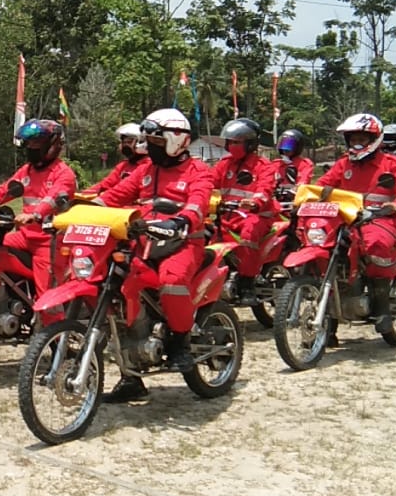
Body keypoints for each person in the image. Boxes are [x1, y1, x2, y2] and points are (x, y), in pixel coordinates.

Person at [93, 108, 215, 403]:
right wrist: (81, 206)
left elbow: (199, 203)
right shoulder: (146, 170)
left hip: (185, 242)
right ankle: (131, 377)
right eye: (149, 142)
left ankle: (180, 343)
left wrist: (182, 220)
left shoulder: (198, 171)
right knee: (122, 285)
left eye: (156, 143)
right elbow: (115, 195)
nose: (151, 149)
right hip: (145, 242)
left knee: (171, 280)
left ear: (176, 141)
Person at [315, 113, 396, 339]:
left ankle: (382, 308)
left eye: (362, 139)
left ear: (375, 139)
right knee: (318, 240)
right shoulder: (343, 164)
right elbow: (323, 185)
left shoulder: (391, 163)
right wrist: (306, 195)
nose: (357, 143)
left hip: (378, 219)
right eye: (353, 138)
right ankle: (326, 320)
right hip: (347, 219)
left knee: (376, 244)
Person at [0, 119, 76, 306]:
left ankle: (53, 330)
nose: (31, 147)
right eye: (29, 143)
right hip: (24, 237)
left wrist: (34, 215)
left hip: (49, 242)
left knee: (47, 300)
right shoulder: (26, 171)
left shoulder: (64, 173)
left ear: (52, 145)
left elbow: (51, 199)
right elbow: (1, 192)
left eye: (37, 143)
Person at [213, 118, 278, 304]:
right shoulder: (224, 164)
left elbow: (266, 188)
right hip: (227, 216)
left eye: (236, 142)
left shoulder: (264, 166)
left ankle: (247, 283)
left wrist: (256, 202)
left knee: (249, 232)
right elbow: (207, 182)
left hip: (257, 216)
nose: (232, 146)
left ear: (250, 144)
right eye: (230, 142)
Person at [83, 122, 148, 194]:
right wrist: (85, 193)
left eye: (129, 142)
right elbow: (106, 184)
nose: (125, 146)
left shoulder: (148, 166)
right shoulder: (123, 166)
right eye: (124, 142)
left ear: (141, 143)